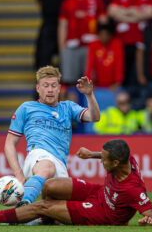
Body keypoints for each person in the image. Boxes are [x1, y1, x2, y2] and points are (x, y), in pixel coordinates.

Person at [0, 139, 152, 226]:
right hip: (99, 193)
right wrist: (91, 155)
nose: (101, 161)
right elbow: (109, 156)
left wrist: (150, 221)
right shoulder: (129, 160)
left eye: (104, 159)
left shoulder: (133, 189)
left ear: (116, 163)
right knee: (49, 185)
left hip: (101, 214)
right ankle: (46, 221)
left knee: (44, 205)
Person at [5, 66, 100, 207]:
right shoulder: (27, 108)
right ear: (38, 88)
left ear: (59, 88)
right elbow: (9, 143)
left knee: (59, 214)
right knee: (47, 167)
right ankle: (24, 203)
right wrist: (19, 174)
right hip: (38, 157)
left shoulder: (68, 107)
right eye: (46, 85)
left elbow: (94, 117)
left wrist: (89, 95)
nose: (50, 89)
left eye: (53, 86)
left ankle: (22, 218)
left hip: (60, 165)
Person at [108, 0, 152, 86]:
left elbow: (150, 13)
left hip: (141, 41)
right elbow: (112, 13)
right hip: (122, 42)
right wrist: (137, 13)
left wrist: (124, 13)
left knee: (141, 76)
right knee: (123, 75)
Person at [58, 0, 107, 84]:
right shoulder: (67, 2)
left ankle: (89, 102)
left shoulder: (96, 0)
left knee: (90, 80)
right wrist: (62, 47)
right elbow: (62, 25)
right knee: (69, 80)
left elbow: (104, 22)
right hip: (71, 45)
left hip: (91, 46)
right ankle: (71, 102)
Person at [35, 0, 73, 69]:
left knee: (67, 51)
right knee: (44, 52)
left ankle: (67, 79)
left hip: (69, 23)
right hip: (50, 21)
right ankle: (43, 79)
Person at [84, 23, 124, 89]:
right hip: (97, 83)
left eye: (106, 35)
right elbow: (89, 65)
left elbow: (119, 64)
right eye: (101, 35)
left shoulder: (117, 44)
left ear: (110, 35)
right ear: (98, 35)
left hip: (112, 83)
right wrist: (89, 82)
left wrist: (118, 82)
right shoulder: (93, 44)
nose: (104, 37)